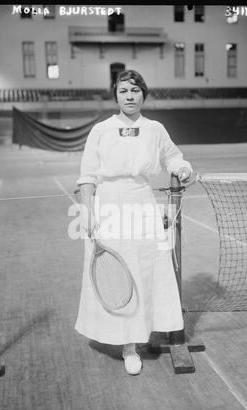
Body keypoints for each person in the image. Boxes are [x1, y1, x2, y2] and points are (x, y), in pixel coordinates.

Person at [75, 70, 192, 375]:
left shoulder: (155, 129)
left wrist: (183, 168)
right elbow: (87, 176)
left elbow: (173, 158)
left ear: (143, 94)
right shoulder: (101, 130)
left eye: (135, 90)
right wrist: (87, 212)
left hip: (143, 206)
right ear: (116, 95)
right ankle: (128, 347)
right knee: (119, 278)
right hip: (109, 207)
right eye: (124, 90)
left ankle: (144, 336)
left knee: (148, 273)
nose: (130, 96)